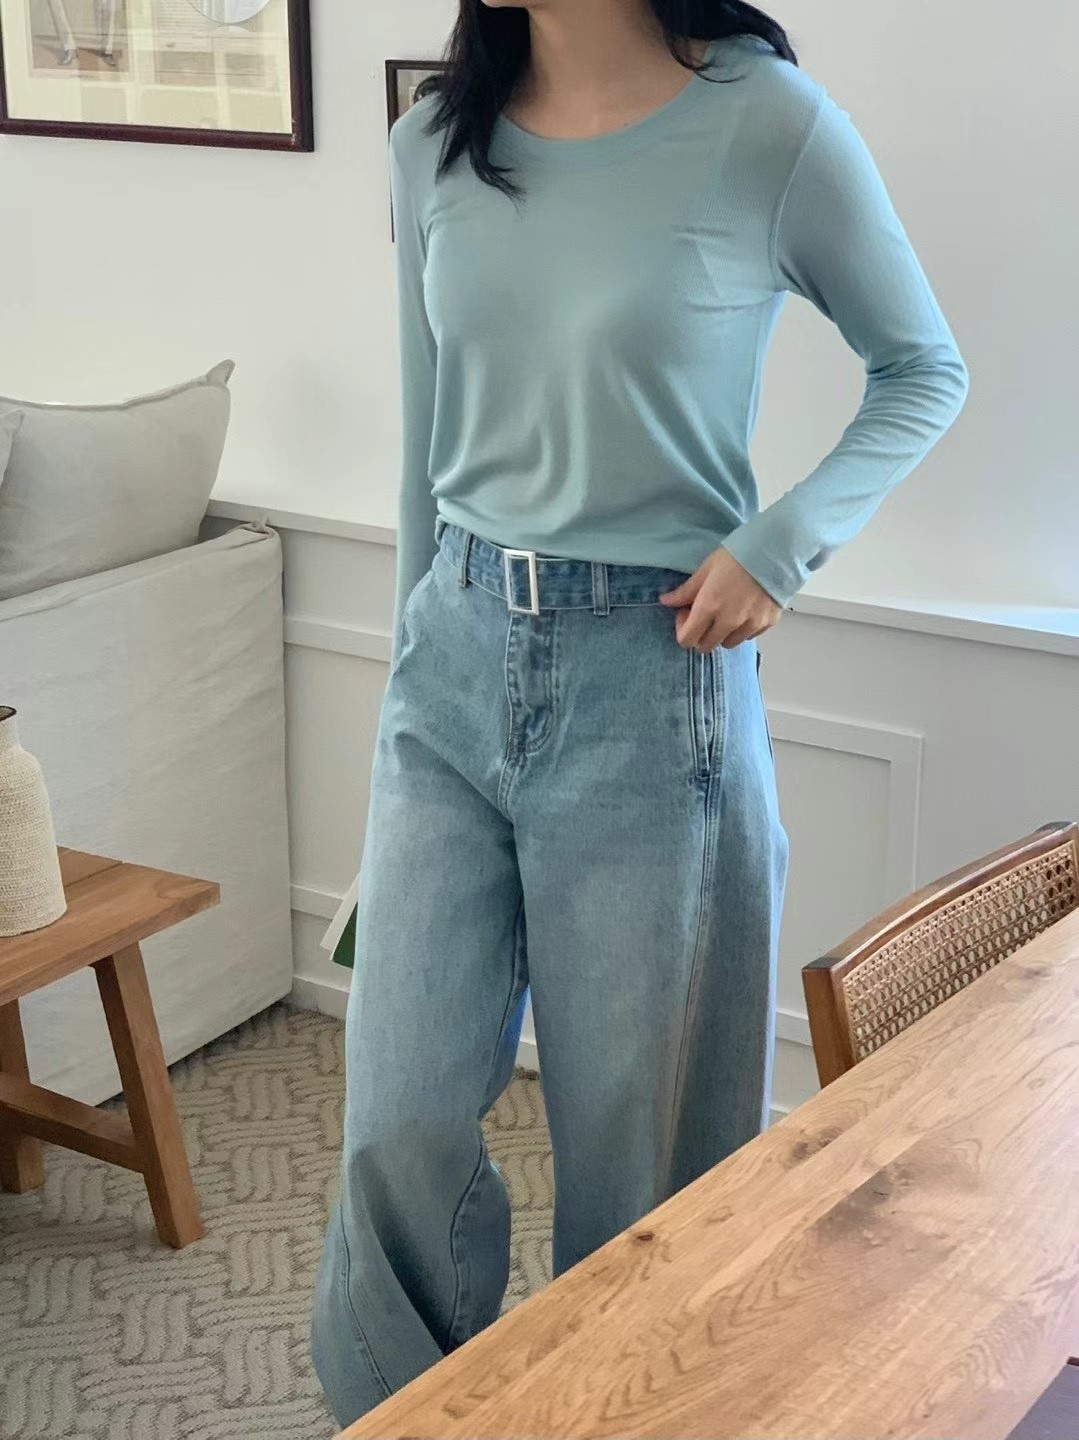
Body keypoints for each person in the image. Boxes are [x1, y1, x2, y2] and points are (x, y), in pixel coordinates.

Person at [312, 0, 968, 1425]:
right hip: (451, 659)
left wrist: (777, 550)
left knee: (642, 1163)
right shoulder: (435, 140)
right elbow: (430, 442)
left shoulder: (767, 123)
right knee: (396, 1123)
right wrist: (413, 660)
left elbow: (925, 369)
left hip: (652, 681)